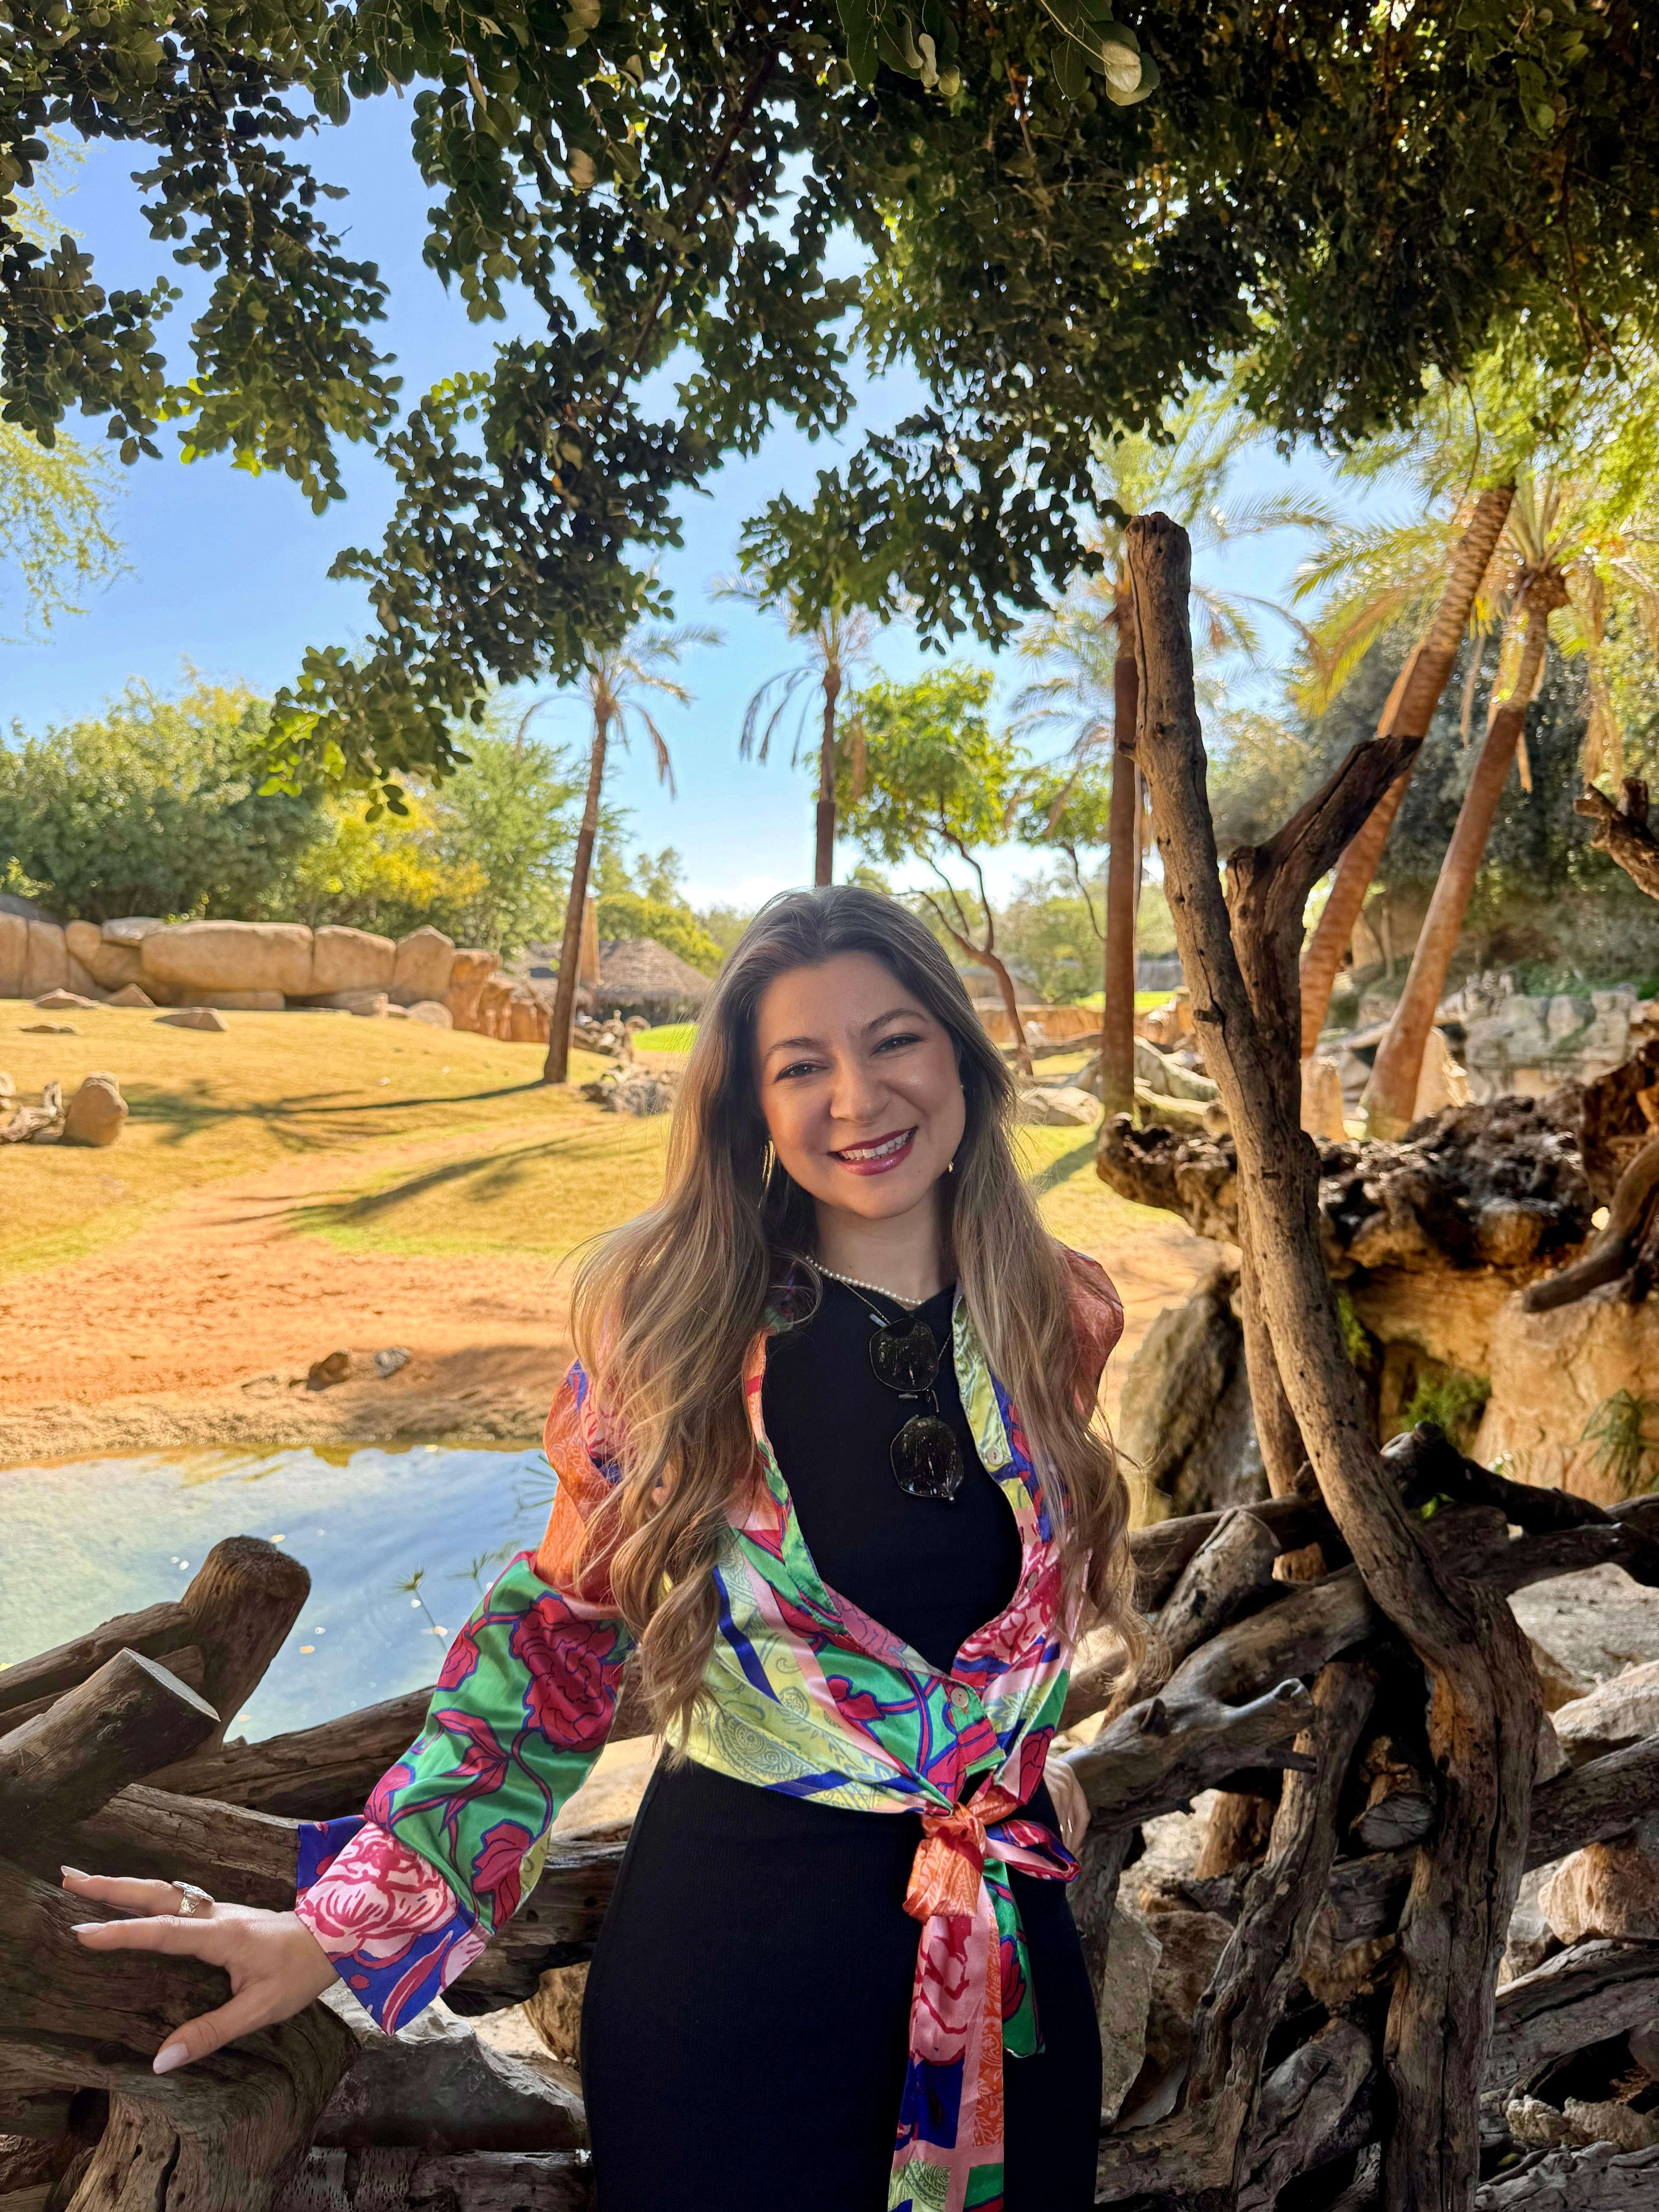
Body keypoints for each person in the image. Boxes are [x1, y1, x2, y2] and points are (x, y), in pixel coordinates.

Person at [67, 885, 1140, 2212]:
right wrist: (336, 1928)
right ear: (750, 1108)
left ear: (962, 1058)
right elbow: (557, 1644)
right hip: (739, 1977)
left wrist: (1019, 1748)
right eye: (801, 1066)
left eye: (895, 1040)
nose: (859, 1098)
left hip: (1009, 1968)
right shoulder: (678, 1334)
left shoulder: (1058, 1311)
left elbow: (1003, 1593)